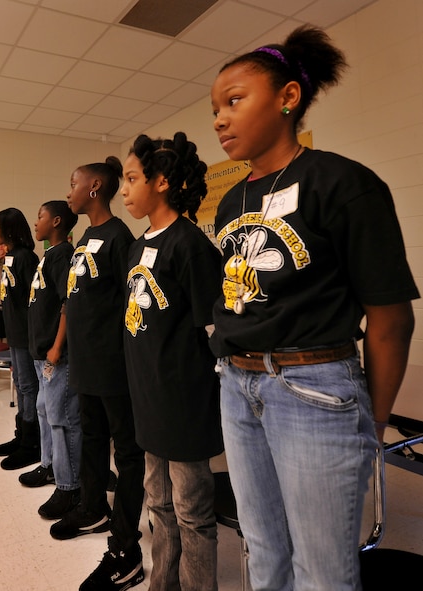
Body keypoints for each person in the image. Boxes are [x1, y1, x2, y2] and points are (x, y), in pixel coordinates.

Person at [210, 25, 418, 590]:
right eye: (215, 109)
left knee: (322, 570)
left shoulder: (343, 183)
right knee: (262, 549)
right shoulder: (232, 201)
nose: (219, 119)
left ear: (287, 98)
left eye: (234, 101)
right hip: (237, 385)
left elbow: (392, 318)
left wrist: (371, 420)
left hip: (313, 386)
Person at [121, 132, 223, 591]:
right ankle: (163, 583)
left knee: (192, 514)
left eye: (131, 178)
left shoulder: (192, 246)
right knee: (158, 506)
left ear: (161, 182)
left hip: (183, 403)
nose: (125, 189)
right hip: (148, 398)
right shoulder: (137, 245)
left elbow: (212, 333)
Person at [55, 157, 146, 591]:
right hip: (85, 362)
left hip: (112, 364)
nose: (68, 191)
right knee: (91, 436)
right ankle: (92, 507)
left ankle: (126, 543)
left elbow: (131, 304)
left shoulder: (118, 238)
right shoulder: (85, 237)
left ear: (94, 187)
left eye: (73, 183)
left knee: (126, 452)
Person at [19, 200, 83, 520]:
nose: (36, 221)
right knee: (44, 410)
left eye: (40, 216)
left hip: (56, 354)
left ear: (56, 221)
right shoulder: (48, 255)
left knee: (61, 417)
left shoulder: (65, 257)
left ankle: (70, 486)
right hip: (39, 351)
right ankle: (48, 466)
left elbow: (67, 303)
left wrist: (58, 346)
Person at [0, 208, 41, 470]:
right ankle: (21, 435)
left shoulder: (25, 258)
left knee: (28, 386)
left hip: (25, 335)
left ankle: (32, 443)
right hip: (15, 334)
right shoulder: (9, 257)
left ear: (8, 229)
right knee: (20, 384)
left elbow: (33, 302)